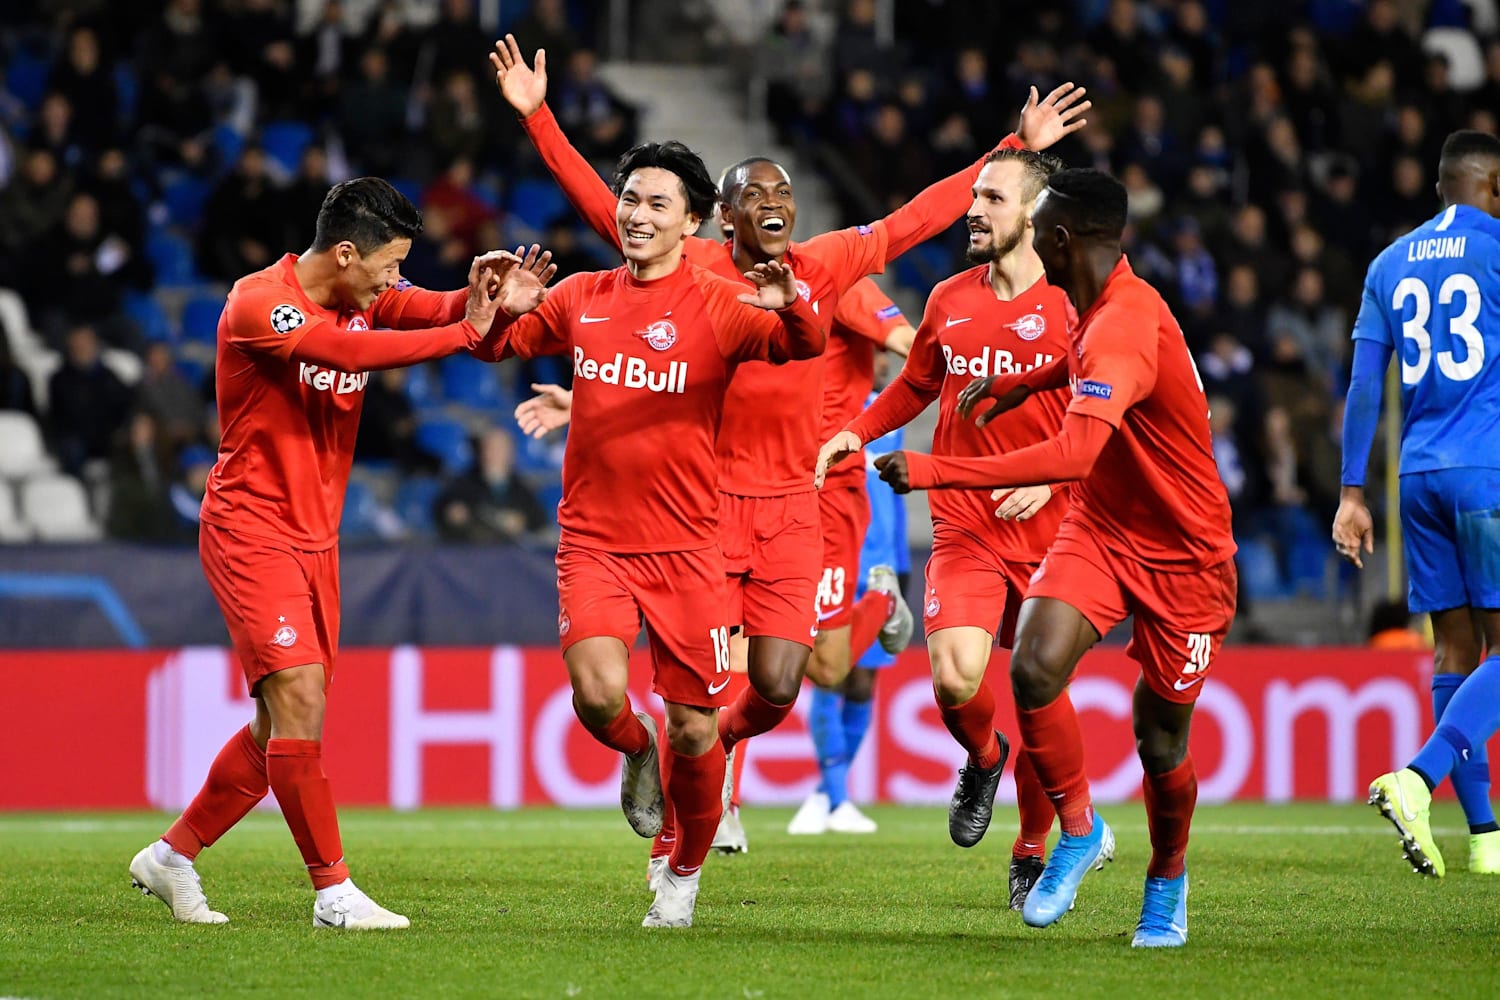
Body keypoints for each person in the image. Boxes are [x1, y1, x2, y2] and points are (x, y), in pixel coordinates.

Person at [491, 34, 1089, 873]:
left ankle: (737, 741)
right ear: (721, 216)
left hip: (793, 503)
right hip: (701, 512)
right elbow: (607, 209)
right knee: (699, 692)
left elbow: (920, 216)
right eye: (754, 192)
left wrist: (1015, 146)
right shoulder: (695, 265)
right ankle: (690, 809)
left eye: (783, 190)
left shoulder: (828, 263)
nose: (774, 200)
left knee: (780, 683)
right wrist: (539, 119)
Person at [127, 177, 552, 930]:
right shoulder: (262, 303)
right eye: (390, 265)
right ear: (347, 253)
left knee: (281, 726)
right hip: (251, 528)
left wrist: (483, 296)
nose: (396, 279)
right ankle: (334, 892)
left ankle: (171, 856)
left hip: (316, 539)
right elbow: (350, 352)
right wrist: (468, 329)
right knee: (298, 700)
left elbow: (432, 308)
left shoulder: (366, 294)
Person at [875, 168, 1237, 947]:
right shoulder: (1093, 302)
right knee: (1034, 669)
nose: (1030, 240)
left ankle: (1167, 882)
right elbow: (1079, 364)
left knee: (1160, 744)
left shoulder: (1122, 324)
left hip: (1185, 554)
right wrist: (1022, 386)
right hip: (1102, 527)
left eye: (1039, 229)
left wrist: (934, 469)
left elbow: (1074, 453)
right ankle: (1077, 829)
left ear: (1064, 239)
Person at [470, 139, 826, 929]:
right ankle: (637, 751)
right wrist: (499, 305)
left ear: (692, 222)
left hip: (689, 550)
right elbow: (497, 345)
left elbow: (802, 347)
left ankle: (684, 872)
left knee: (697, 729)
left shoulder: (719, 303)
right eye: (629, 199)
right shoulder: (583, 296)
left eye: (657, 203)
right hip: (594, 541)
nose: (637, 214)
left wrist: (790, 303)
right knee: (600, 695)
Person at [816, 147, 1073, 909]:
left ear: (1034, 216)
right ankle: (985, 758)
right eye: (975, 197)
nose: (974, 210)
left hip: (1058, 532)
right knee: (957, 678)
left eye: (993, 199)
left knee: (1040, 694)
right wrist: (857, 431)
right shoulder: (949, 298)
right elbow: (915, 386)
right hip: (966, 522)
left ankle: (1032, 847)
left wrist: (1053, 475)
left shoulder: (1075, 304)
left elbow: (1114, 413)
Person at [1337, 129, 1500, 878]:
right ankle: (1417, 778)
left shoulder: (1388, 262)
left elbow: (1364, 385)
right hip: (1487, 470)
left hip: (1418, 476)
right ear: (1493, 188)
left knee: (1454, 652)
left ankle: (1486, 838)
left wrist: (1352, 492)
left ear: (1440, 187)